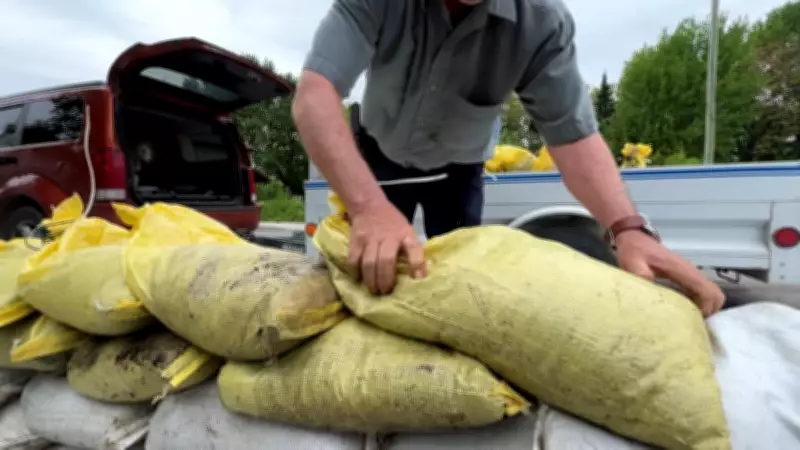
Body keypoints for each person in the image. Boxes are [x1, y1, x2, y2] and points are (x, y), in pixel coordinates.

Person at [292, 0, 725, 316]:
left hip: (457, 173)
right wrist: (368, 208)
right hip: (377, 168)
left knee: (457, 289)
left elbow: (573, 137)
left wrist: (628, 229)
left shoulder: (543, 24)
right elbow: (315, 93)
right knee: (365, 278)